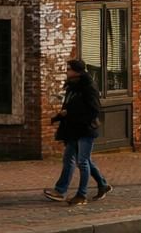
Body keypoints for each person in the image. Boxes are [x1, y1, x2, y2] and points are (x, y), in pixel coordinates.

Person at [46, 59, 111, 206]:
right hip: (73, 129)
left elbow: (94, 110)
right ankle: (99, 185)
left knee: (83, 161)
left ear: (77, 71)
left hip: (85, 130)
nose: (66, 71)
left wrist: (72, 114)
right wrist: (59, 116)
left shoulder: (88, 87)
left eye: (69, 69)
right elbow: (69, 106)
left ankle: (81, 195)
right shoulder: (72, 86)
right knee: (73, 159)